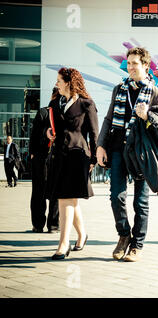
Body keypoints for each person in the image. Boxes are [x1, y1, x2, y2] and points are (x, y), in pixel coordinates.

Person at [97, 47, 158, 262]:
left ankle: (137, 245)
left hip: (141, 153)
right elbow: (109, 119)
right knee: (116, 197)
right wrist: (101, 146)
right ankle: (124, 234)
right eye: (128, 64)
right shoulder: (119, 89)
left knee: (140, 202)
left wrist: (147, 116)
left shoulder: (156, 93)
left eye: (135, 63)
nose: (131, 67)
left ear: (146, 66)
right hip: (118, 148)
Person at [46, 67, 98, 260]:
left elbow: (94, 134)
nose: (56, 83)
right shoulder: (54, 102)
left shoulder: (86, 104)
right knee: (69, 199)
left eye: (59, 80)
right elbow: (49, 127)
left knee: (65, 198)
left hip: (78, 156)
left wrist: (94, 160)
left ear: (68, 82)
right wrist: (48, 133)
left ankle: (63, 244)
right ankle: (82, 234)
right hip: (58, 155)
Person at [29, 88, 59, 233]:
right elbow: (34, 135)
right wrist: (33, 154)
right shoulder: (44, 112)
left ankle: (52, 224)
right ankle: (39, 224)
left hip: (57, 158)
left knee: (55, 192)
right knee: (39, 192)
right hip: (41, 157)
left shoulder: (64, 113)